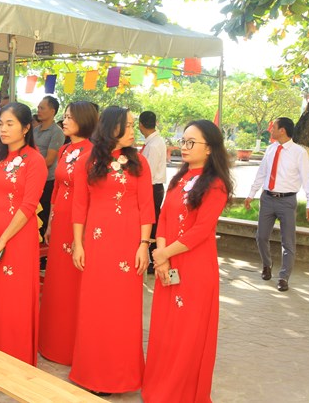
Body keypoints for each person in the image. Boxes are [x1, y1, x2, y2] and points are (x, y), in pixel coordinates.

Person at [142, 120, 233, 403]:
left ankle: (179, 393)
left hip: (195, 267)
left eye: (191, 142)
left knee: (187, 332)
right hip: (168, 262)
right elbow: (164, 218)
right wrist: (162, 257)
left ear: (209, 149)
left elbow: (201, 230)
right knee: (165, 327)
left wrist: (163, 254)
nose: (184, 146)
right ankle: (158, 388)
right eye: (183, 141)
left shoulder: (216, 185)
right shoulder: (178, 179)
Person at [69, 106, 154, 395]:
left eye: (132, 125)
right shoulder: (88, 161)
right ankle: (91, 372)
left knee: (123, 310)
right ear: (111, 128)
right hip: (96, 245)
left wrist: (144, 245)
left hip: (128, 246)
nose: (132, 130)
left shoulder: (140, 162)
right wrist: (78, 244)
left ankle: (121, 375)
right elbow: (79, 205)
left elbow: (147, 207)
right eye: (127, 125)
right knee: (95, 308)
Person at [0, 102, 48, 366]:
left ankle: (14, 359)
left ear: (26, 128)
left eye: (10, 124)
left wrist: (3, 240)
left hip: (17, 238)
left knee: (13, 297)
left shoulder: (35, 161)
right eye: (1, 124)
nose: (3, 129)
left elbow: (28, 206)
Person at [38, 101, 97, 365]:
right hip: (60, 220)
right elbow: (58, 189)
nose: (65, 120)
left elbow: (93, 196)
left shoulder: (94, 153)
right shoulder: (64, 150)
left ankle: (71, 346)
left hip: (80, 223)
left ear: (84, 120)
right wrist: (50, 222)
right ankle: (52, 341)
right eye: (65, 116)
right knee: (56, 281)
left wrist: (82, 233)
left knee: (74, 283)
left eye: (70, 117)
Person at [244, 117, 309, 292]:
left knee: (288, 241)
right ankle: (267, 264)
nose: (271, 130)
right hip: (267, 199)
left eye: (274, 127)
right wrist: (251, 194)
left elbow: (307, 178)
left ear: (282, 130)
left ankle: (284, 277)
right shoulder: (270, 149)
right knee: (261, 237)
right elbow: (261, 173)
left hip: (287, 201)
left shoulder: (299, 153)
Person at [139, 110, 167, 272]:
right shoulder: (154, 142)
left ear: (140, 125)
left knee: (152, 222)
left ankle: (154, 258)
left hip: (152, 187)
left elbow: (147, 172)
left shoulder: (154, 144)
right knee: (152, 221)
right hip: (153, 186)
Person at [33, 96, 65, 238]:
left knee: (43, 215)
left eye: (42, 108)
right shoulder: (35, 130)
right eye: (38, 107)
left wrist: (30, 170)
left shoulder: (57, 132)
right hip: (32, 178)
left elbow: (50, 160)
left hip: (47, 180)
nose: (38, 110)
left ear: (52, 111)